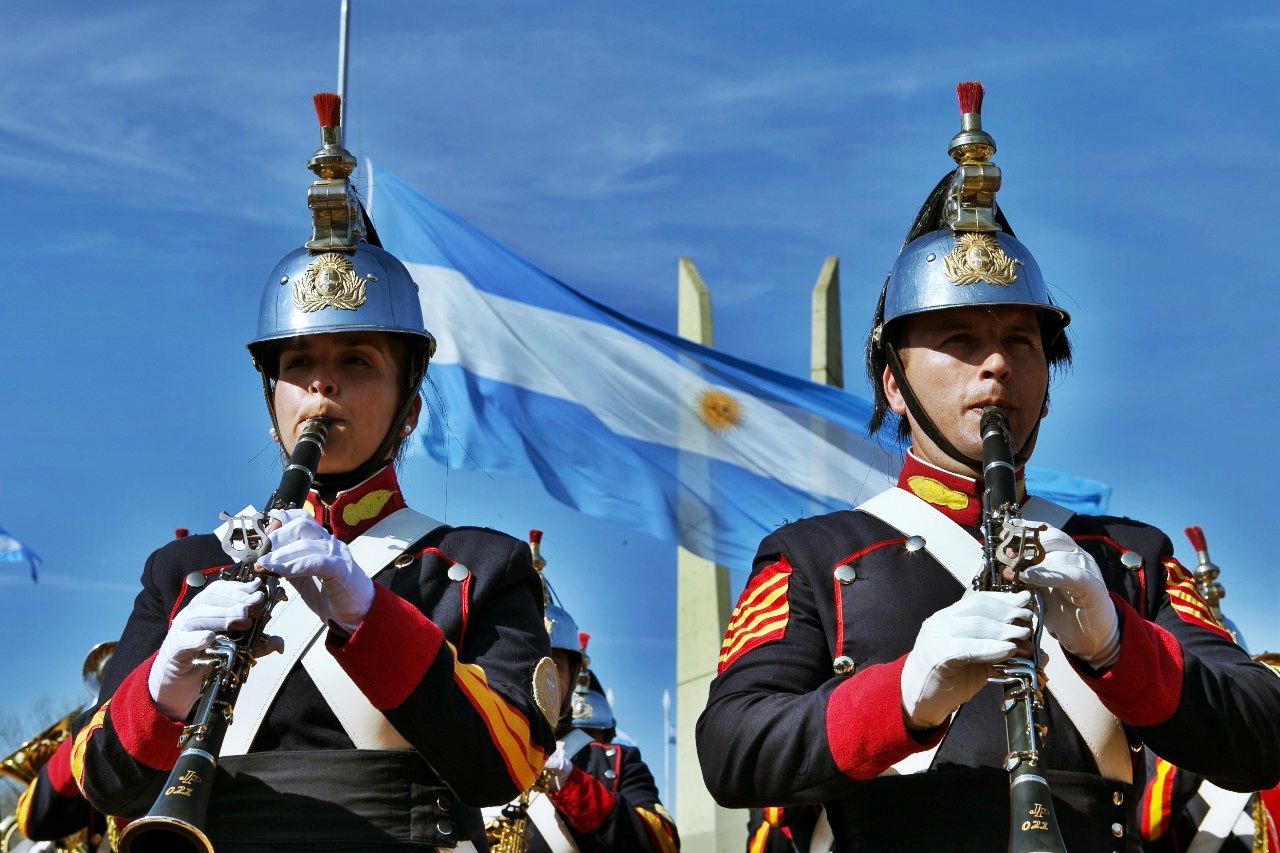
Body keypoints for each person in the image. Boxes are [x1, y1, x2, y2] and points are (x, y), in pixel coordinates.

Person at [696, 81, 1280, 852]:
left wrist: (1116, 643)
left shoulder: (1129, 557)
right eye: (960, 340)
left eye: (1022, 341)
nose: (996, 363)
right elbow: (733, 746)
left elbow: (1262, 729)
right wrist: (909, 690)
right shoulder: (813, 556)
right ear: (892, 385)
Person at [70, 94, 558, 852]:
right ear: (272, 403)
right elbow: (99, 779)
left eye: (356, 363)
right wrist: (162, 690)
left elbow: (508, 761)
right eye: (299, 365)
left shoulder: (476, 566)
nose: (322, 388)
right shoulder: (183, 572)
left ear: (410, 408)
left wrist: (369, 613)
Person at [485, 532, 679, 852]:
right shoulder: (470, 741)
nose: (540, 674)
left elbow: (663, 844)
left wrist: (572, 783)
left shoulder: (617, 761)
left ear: (573, 676)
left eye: (554, 663)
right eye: (527, 659)